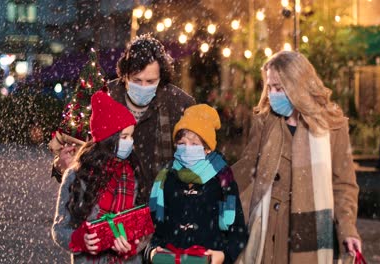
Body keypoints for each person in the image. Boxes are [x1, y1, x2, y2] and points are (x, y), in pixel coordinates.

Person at [232, 51, 361, 264]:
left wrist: (348, 229)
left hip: (311, 228)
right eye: (270, 87)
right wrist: (214, 182)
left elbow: (343, 185)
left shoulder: (332, 126)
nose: (272, 94)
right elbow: (247, 170)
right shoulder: (265, 122)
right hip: (269, 229)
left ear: (298, 86)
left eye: (279, 88)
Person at [52, 34, 195, 204]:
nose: (143, 87)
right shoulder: (103, 99)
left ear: (161, 78)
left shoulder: (179, 104)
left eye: (150, 81)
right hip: (110, 209)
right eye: (137, 80)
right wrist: (62, 167)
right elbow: (77, 158)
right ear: (124, 76)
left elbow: (196, 161)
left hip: (163, 209)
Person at [144, 104, 248, 264]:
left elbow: (238, 232)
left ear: (207, 149)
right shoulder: (166, 178)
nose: (187, 148)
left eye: (194, 144)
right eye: (182, 143)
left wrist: (224, 255)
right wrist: (151, 252)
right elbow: (153, 231)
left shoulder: (222, 181)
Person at [52, 91, 147, 263]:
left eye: (131, 136)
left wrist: (132, 245)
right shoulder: (76, 176)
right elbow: (59, 230)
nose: (130, 142)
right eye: (124, 136)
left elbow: (145, 227)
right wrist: (80, 239)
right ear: (108, 140)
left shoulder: (134, 172)